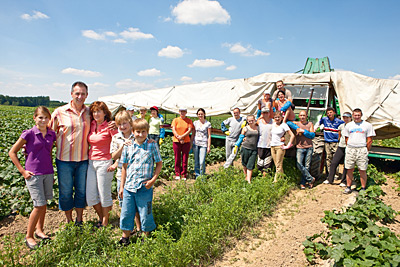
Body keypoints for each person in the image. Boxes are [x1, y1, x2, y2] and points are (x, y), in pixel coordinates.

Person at [9, 106, 56, 249]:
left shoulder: (51, 134)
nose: (43, 120)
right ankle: (29, 236)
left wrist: (52, 171)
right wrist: (23, 171)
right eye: (40, 117)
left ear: (49, 119)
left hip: (48, 172)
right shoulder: (28, 134)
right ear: (34, 118)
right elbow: (12, 152)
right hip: (33, 175)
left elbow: (48, 152)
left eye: (46, 117)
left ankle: (39, 230)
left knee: (44, 203)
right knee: (39, 204)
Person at [50, 81, 91, 225]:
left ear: (87, 95)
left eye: (83, 94)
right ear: (71, 94)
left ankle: (79, 220)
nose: (80, 96)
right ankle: (69, 221)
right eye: (77, 93)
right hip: (64, 161)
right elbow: (48, 134)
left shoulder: (89, 112)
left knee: (81, 191)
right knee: (66, 193)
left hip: (83, 160)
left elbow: (103, 122)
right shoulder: (60, 112)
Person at [118, 119, 162, 245]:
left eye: (144, 132)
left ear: (147, 132)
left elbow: (159, 163)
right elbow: (124, 167)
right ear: (133, 132)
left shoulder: (152, 145)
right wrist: (121, 187)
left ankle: (145, 237)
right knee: (126, 212)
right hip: (129, 187)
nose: (141, 134)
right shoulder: (128, 146)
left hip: (144, 187)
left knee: (145, 213)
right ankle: (125, 237)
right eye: (138, 131)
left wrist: (153, 180)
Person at [86, 101, 118, 227]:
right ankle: (102, 217)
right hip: (91, 162)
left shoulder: (110, 126)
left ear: (105, 113)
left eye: (99, 111)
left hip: (105, 162)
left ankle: (104, 222)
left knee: (104, 194)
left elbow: (120, 142)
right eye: (94, 111)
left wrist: (116, 162)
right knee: (91, 196)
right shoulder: (91, 124)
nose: (96, 114)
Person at [342, 108, 375, 194]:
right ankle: (348, 187)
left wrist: (366, 150)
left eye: (358, 115)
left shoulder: (367, 125)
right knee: (349, 168)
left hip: (361, 149)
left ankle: (363, 188)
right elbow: (346, 138)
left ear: (361, 115)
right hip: (351, 148)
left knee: (362, 169)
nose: (357, 117)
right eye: (355, 115)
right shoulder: (349, 125)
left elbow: (370, 140)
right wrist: (349, 146)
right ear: (352, 115)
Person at [287, 110, 316, 189]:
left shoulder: (310, 124)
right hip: (300, 147)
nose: (302, 117)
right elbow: (288, 122)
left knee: (307, 166)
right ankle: (310, 179)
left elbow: (312, 135)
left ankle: (303, 183)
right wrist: (297, 128)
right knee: (299, 164)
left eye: (304, 115)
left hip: (309, 147)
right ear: (298, 116)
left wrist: (303, 131)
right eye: (301, 115)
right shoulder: (297, 123)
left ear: (306, 116)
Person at [324, 112, 352, 186]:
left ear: (350, 118)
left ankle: (344, 181)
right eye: (344, 117)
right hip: (341, 146)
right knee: (334, 163)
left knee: (346, 164)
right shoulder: (341, 126)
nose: (346, 119)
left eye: (347, 117)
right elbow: (339, 135)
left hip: (349, 147)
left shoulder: (353, 126)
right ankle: (330, 179)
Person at [317, 107, 344, 179]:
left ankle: (336, 174)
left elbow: (344, 127)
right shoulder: (324, 119)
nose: (329, 114)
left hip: (335, 142)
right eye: (328, 113)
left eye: (331, 112)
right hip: (327, 142)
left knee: (335, 158)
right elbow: (318, 123)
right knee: (328, 158)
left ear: (334, 113)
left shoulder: (339, 121)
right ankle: (330, 174)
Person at [270, 111, 295, 182]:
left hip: (280, 147)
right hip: (272, 146)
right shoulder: (273, 124)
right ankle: (282, 179)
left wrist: (288, 145)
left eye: (278, 117)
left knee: (278, 165)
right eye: (276, 117)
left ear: (281, 117)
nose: (277, 118)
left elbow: (292, 135)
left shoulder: (284, 125)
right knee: (277, 165)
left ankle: (276, 181)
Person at [234, 115, 259, 183]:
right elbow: (241, 137)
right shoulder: (245, 128)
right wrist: (237, 145)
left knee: (250, 165)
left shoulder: (258, 128)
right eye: (249, 121)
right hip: (245, 148)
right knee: (244, 163)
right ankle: (246, 176)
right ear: (247, 121)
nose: (251, 122)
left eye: (252, 120)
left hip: (254, 149)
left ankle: (249, 180)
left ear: (255, 120)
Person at [171, 108, 193, 180]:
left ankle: (184, 174)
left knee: (185, 158)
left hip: (186, 141)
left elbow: (189, 130)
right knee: (177, 157)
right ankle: (177, 173)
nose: (182, 113)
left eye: (184, 111)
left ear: (186, 112)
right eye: (181, 111)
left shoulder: (189, 121)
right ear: (179, 112)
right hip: (176, 141)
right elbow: (173, 129)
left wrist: (182, 137)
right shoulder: (175, 120)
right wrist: (178, 137)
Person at [191, 108, 211, 178]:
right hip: (195, 143)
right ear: (197, 115)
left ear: (204, 114)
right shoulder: (195, 123)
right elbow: (193, 134)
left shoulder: (207, 123)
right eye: (199, 114)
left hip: (203, 144)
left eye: (201, 114)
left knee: (202, 161)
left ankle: (202, 176)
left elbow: (209, 135)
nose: (200, 115)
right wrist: (191, 144)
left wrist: (208, 146)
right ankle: (197, 175)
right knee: (196, 161)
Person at [256, 107, 273, 175]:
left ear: (269, 113)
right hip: (260, 144)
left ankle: (265, 177)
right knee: (260, 162)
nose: (265, 114)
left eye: (266, 112)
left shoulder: (273, 121)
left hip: (269, 144)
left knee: (268, 162)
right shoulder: (259, 122)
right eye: (264, 113)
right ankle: (260, 175)